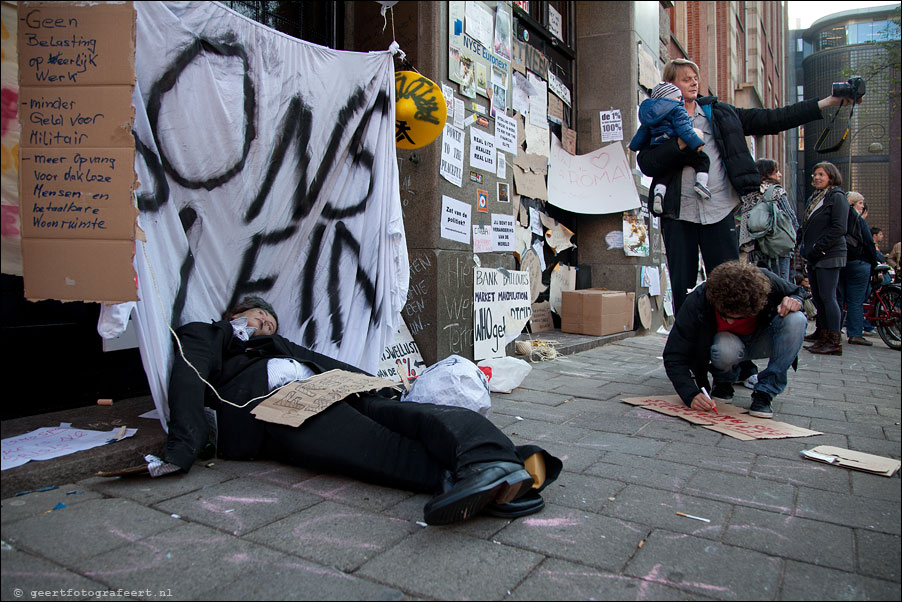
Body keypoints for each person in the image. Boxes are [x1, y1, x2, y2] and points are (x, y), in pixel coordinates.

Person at [109, 296, 561, 526]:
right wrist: (182, 447)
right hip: (275, 404)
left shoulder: (281, 346)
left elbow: (331, 366)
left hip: (329, 388)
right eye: (255, 319)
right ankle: (502, 471)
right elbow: (188, 375)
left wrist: (380, 386)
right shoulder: (208, 336)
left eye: (269, 323)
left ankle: (488, 460)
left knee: (416, 414)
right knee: (371, 446)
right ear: (233, 315)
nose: (262, 326)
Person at [635, 58, 856, 316]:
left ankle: (727, 349)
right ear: (670, 85)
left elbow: (773, 119)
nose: (694, 82)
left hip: (719, 212)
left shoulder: (720, 114)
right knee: (684, 291)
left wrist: (828, 102)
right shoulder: (658, 120)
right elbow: (647, 163)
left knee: (729, 288)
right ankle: (689, 351)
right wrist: (680, 145)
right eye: (686, 78)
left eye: (696, 77)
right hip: (678, 215)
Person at [663, 261, 809, 419]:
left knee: (796, 320)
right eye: (725, 316)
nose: (731, 322)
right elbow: (674, 354)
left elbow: (797, 292)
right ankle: (723, 381)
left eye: (739, 317)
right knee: (725, 344)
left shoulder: (767, 281)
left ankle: (765, 392)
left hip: (763, 340)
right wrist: (690, 394)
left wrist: (795, 300)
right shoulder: (699, 298)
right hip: (725, 344)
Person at [629, 81, 711, 213]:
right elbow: (685, 129)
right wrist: (697, 143)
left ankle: (659, 194)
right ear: (672, 97)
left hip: (657, 145)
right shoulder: (676, 109)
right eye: (678, 97)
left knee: (666, 170)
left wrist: (633, 146)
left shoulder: (649, 116)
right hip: (675, 143)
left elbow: (641, 134)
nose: (681, 100)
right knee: (702, 159)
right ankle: (701, 183)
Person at [799, 162, 849, 355]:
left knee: (828, 297)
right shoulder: (816, 198)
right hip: (815, 255)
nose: (817, 177)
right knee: (819, 297)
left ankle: (834, 341)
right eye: (815, 174)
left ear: (831, 177)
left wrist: (818, 249)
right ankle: (822, 333)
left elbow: (839, 228)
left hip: (829, 254)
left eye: (821, 174)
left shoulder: (837, 197)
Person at [838, 192, 879, 346]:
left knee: (839, 298)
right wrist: (874, 263)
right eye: (861, 203)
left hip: (842, 262)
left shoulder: (840, 218)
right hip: (859, 263)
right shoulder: (857, 219)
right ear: (853, 204)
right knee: (855, 301)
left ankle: (834, 331)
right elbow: (868, 242)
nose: (863, 206)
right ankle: (855, 334)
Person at [750, 158, 798, 281]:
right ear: (767, 173)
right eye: (776, 171)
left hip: (756, 245)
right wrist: (795, 236)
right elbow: (789, 216)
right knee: (780, 283)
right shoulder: (775, 190)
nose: (780, 174)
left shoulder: (751, 191)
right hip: (777, 245)